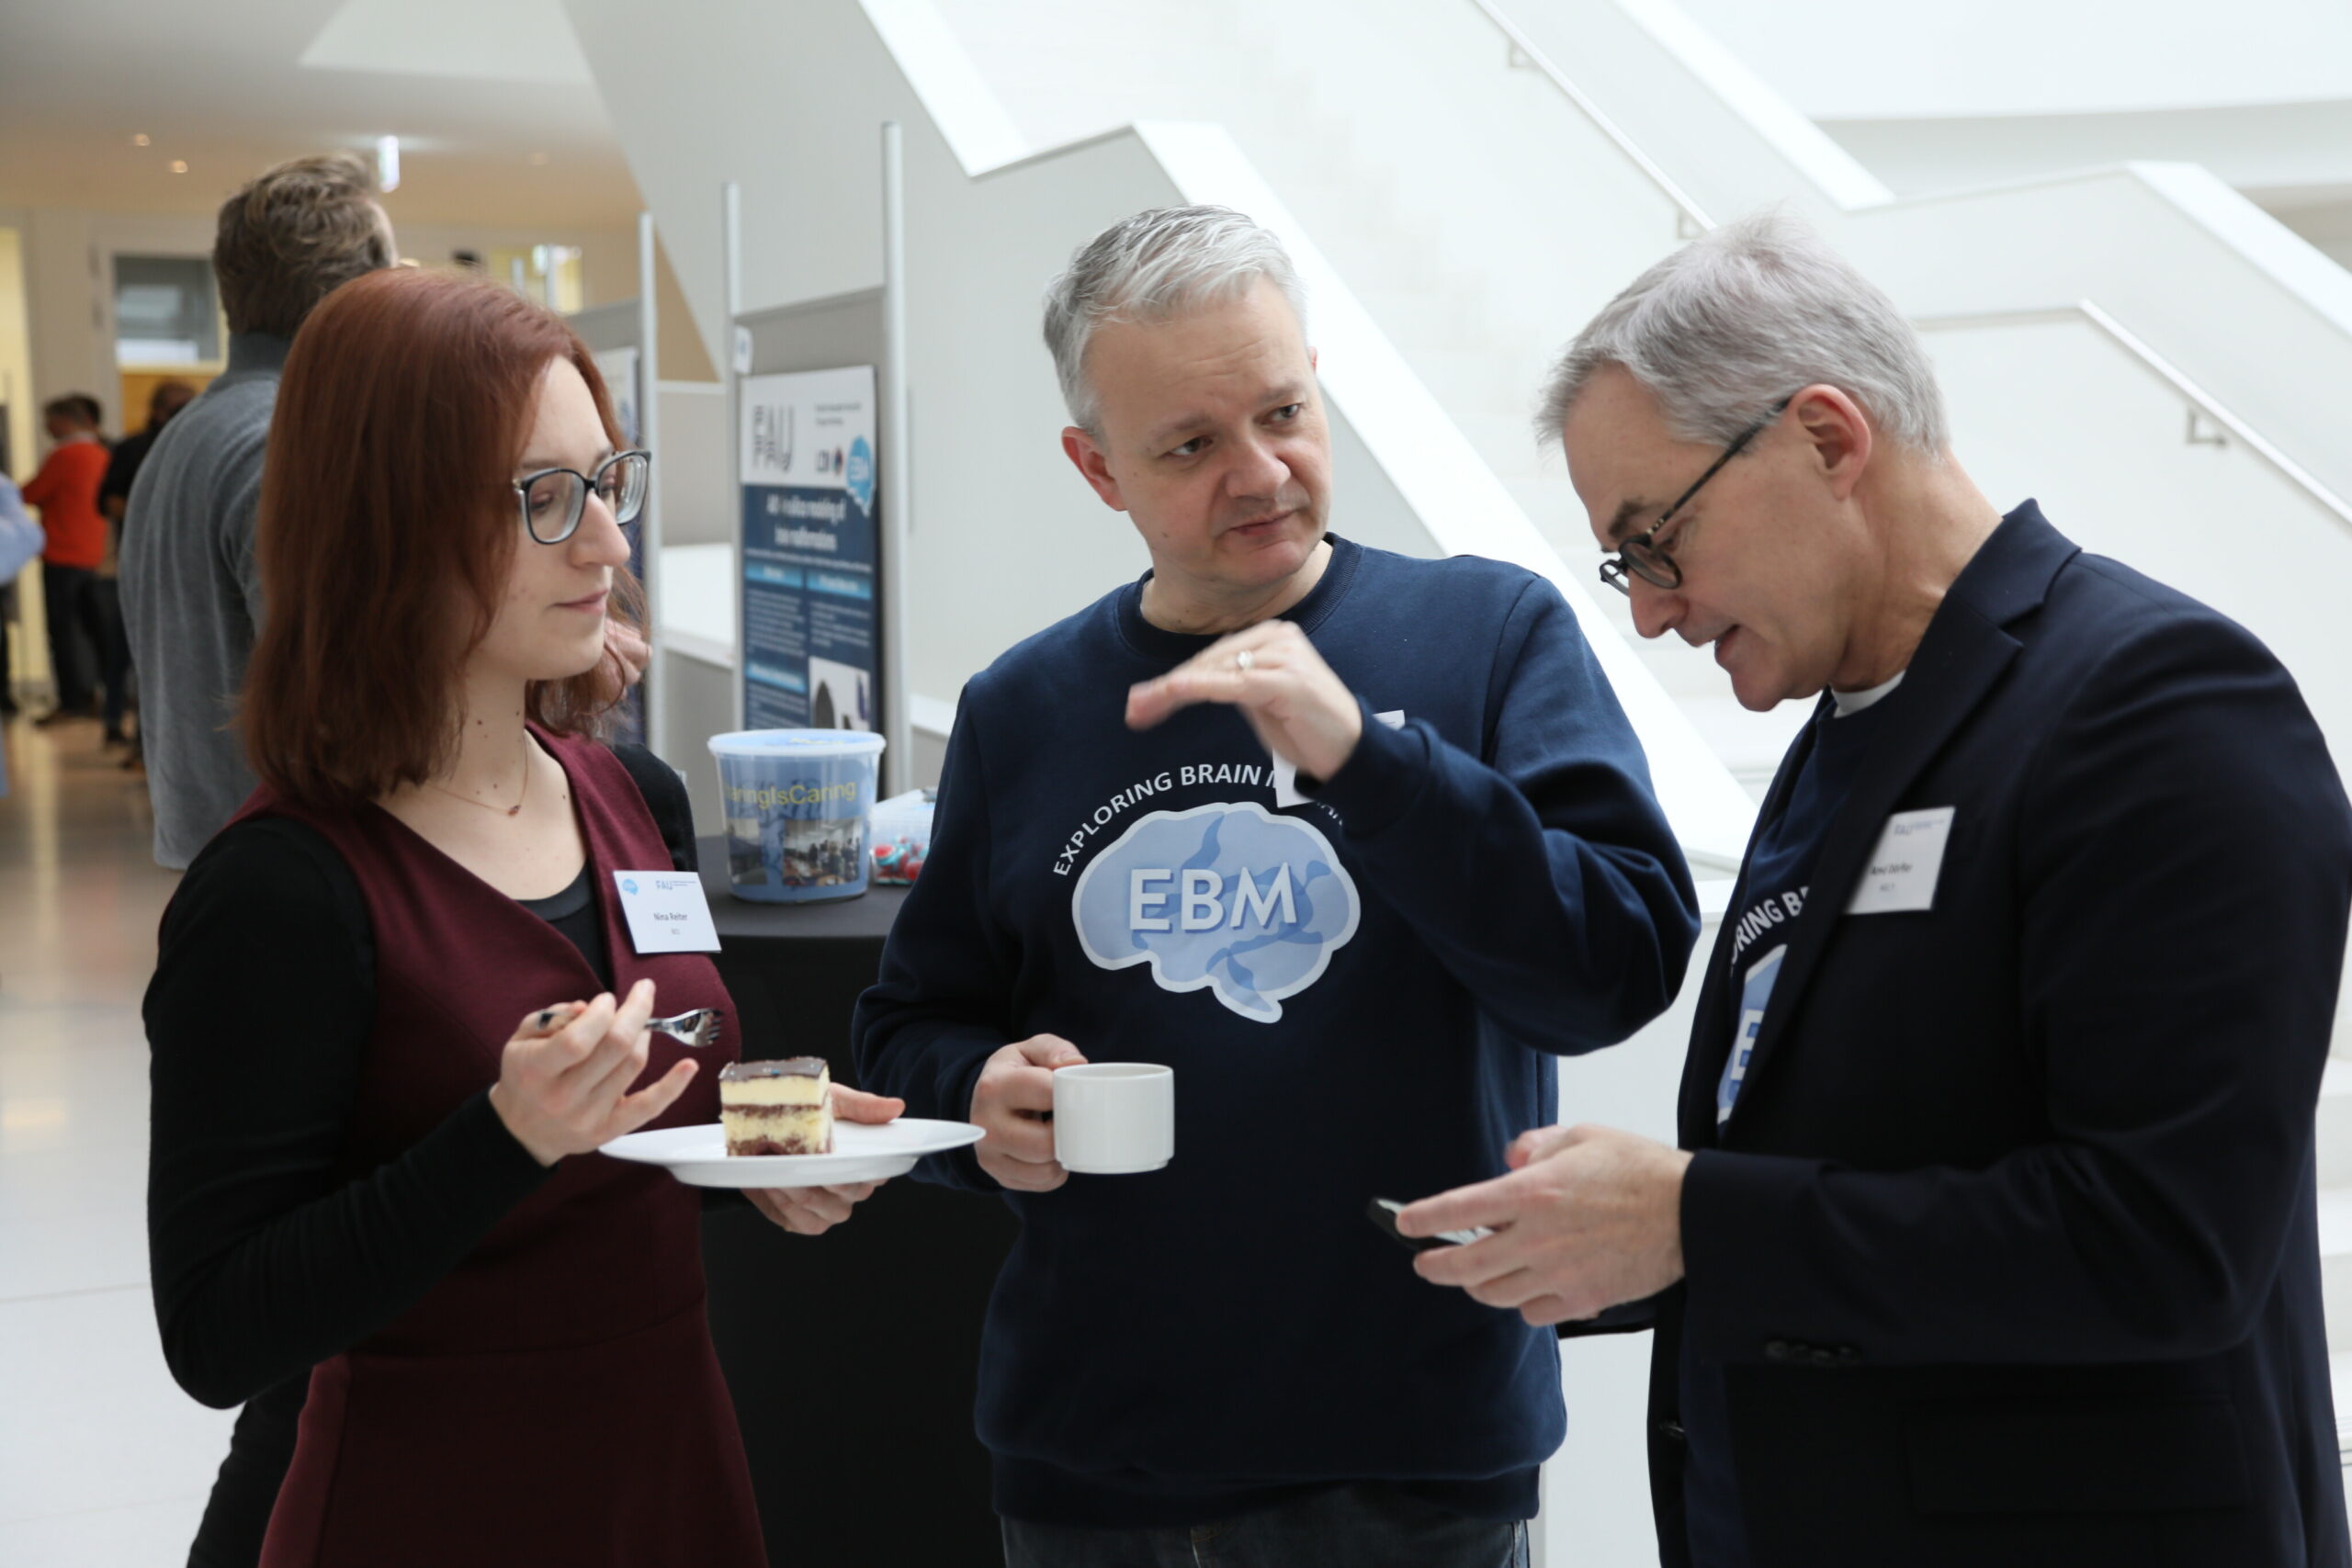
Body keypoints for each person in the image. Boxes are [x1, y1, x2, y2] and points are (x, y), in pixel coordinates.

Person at [1397, 210, 2352, 1567]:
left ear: (1828, 438)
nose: (1651, 613)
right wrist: (1597, 1242)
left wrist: (1690, 1219)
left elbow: (2162, 1240)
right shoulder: (1840, 737)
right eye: (1625, 568)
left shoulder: (2158, 704)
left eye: (1655, 540)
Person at [854, 206, 1700, 1567]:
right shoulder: (1024, 707)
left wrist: (1372, 762)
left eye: (1283, 411)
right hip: (1092, 1454)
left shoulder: (1487, 635)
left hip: (1410, 1455)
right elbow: (909, 1024)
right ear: (1095, 466)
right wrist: (974, 1095)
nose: (1260, 472)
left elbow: (1611, 967)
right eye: (1189, 445)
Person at [145, 266, 900, 1567]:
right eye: (545, 499)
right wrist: (502, 1134)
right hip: (425, 1497)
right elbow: (220, 1331)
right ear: (386, 524)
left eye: (608, 483)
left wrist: (779, 1144)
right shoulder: (282, 891)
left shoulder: (628, 792)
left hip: (663, 1466)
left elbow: (648, 1128)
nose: (608, 542)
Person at [97, 379, 197, 751]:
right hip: (139, 565)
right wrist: (153, 519)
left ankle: (150, 739)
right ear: (157, 410)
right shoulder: (134, 448)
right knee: (127, 651)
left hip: (185, 567)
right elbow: (109, 500)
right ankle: (118, 725)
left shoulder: (197, 442)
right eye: (177, 406)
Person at [19, 394, 111, 725]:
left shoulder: (65, 455)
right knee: (91, 631)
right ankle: (95, 697)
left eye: (49, 419)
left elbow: (28, 494)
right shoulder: (101, 453)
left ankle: (72, 702)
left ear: (66, 420)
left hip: (62, 553)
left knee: (64, 631)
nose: (45, 426)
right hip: (93, 553)